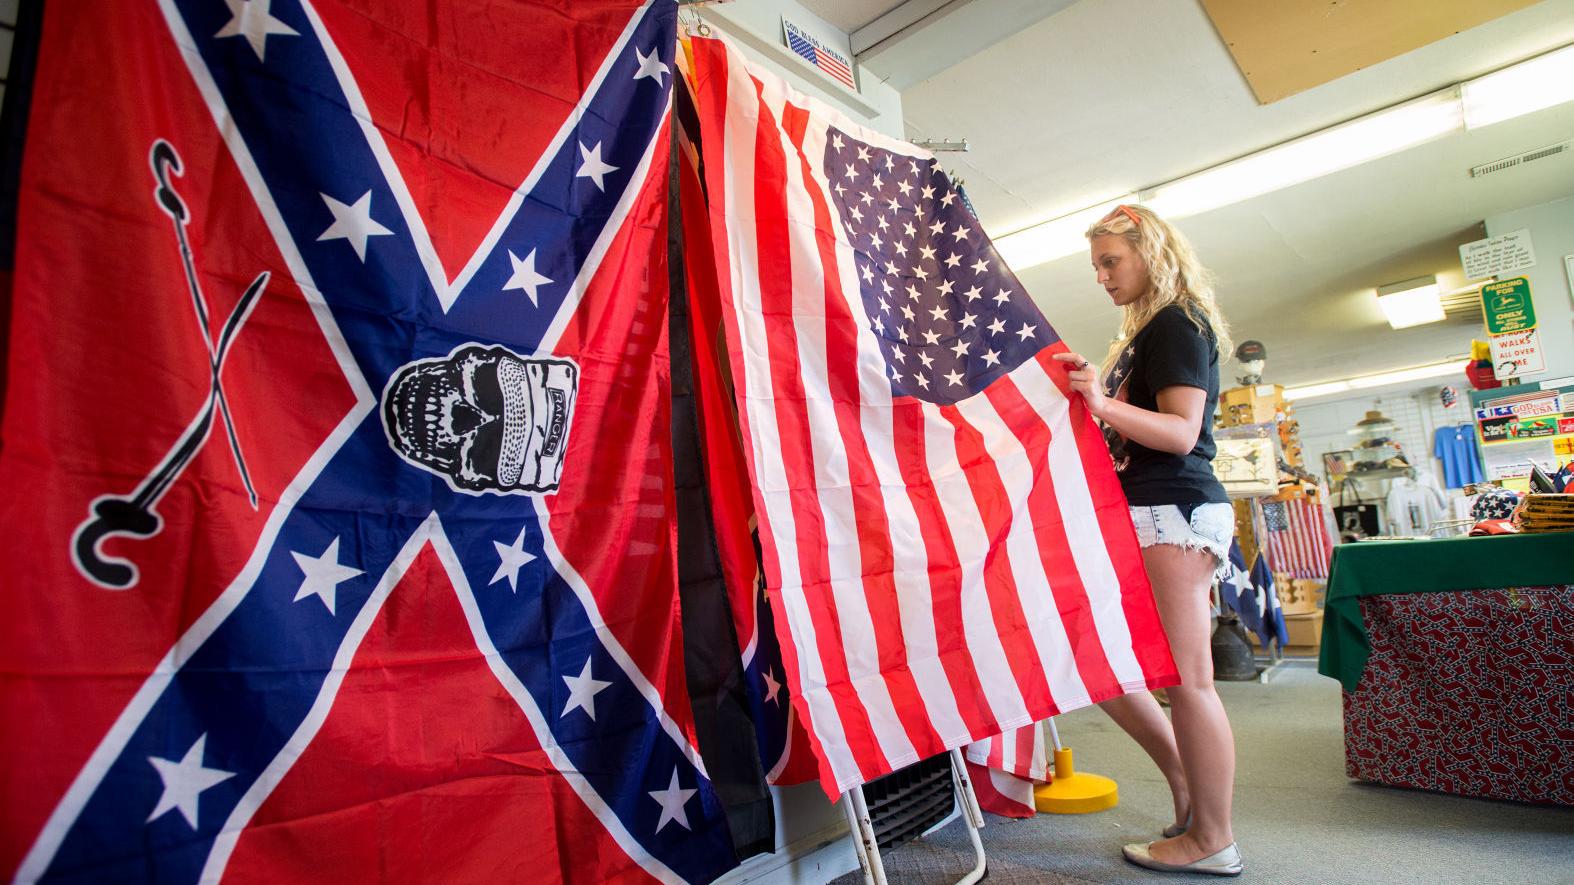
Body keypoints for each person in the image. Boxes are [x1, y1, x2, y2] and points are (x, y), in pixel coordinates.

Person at [1052, 203, 1242, 877]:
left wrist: (1102, 403)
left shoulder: (1177, 321)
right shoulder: (1150, 329)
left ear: (1150, 252)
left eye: (1112, 260)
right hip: (1152, 511)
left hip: (1174, 510)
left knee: (1188, 679)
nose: (1102, 276)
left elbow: (1181, 431)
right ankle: (1188, 788)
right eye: (1097, 264)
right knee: (1099, 660)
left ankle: (1213, 836)